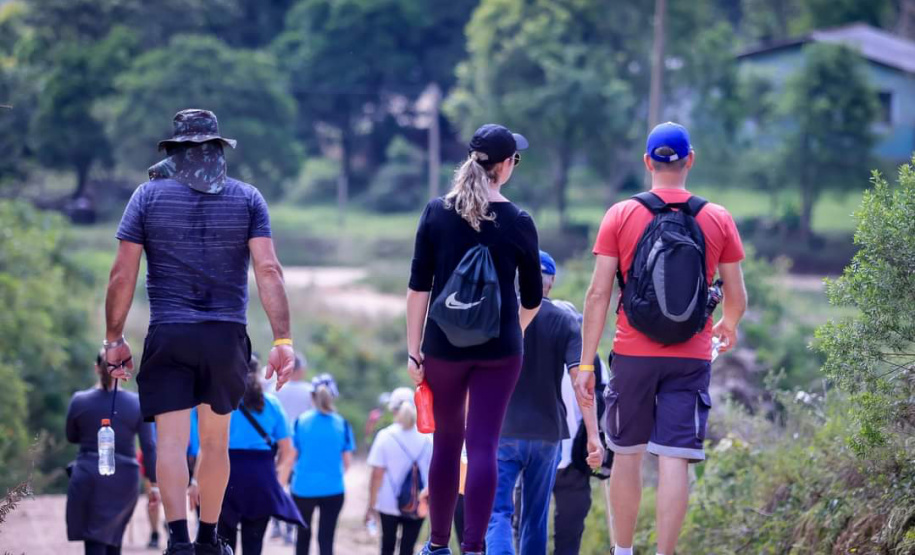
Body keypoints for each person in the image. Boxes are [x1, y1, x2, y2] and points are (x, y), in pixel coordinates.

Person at [103, 109, 297, 555]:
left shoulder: (147, 198)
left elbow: (121, 275)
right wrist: (282, 340)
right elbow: (268, 269)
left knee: (170, 444)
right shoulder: (248, 198)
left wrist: (114, 338)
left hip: (169, 331)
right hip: (225, 335)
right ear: (216, 149)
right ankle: (209, 540)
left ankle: (178, 541)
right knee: (214, 442)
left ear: (176, 150)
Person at [576, 122, 748, 555]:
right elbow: (737, 296)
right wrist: (727, 324)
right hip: (690, 356)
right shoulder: (717, 217)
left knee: (627, 453)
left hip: (632, 354)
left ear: (648, 162)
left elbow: (599, 293)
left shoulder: (620, 214)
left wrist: (584, 362)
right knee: (675, 458)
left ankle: (622, 550)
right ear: (691, 159)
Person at [407, 123, 543, 555]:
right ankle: (475, 548)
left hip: (443, 347)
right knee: (483, 445)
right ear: (504, 167)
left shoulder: (435, 212)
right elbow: (534, 297)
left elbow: (418, 289)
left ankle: (436, 545)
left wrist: (414, 353)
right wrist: (510, 335)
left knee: (445, 443)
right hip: (499, 352)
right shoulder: (519, 221)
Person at [486, 251, 600, 555]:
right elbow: (583, 384)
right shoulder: (565, 321)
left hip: (503, 430)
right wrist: (593, 436)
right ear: (550, 283)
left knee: (497, 512)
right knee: (534, 519)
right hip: (548, 435)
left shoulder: (498, 316)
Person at [186, 354, 302, 554]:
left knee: (222, 544)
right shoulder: (271, 404)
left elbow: (208, 447)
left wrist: (196, 481)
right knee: (253, 546)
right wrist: (278, 483)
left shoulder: (220, 402)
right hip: (260, 478)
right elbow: (288, 451)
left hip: (224, 475)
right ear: (257, 375)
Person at [66, 350, 158, 555]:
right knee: (113, 538)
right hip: (125, 480)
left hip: (89, 474)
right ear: (124, 372)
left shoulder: (79, 400)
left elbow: (71, 437)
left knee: (94, 539)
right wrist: (154, 484)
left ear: (96, 368)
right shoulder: (137, 403)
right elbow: (149, 446)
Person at [291, 374, 356, 555]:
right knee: (326, 539)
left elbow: (292, 456)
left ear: (312, 396)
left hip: (303, 488)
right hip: (333, 489)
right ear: (332, 396)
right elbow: (347, 463)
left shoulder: (300, 422)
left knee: (302, 537)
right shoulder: (342, 424)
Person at [366, 399, 433, 555]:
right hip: (418, 501)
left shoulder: (385, 435)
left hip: (388, 502)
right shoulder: (428, 438)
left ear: (395, 412)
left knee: (387, 546)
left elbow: (377, 474)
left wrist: (371, 504)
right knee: (408, 548)